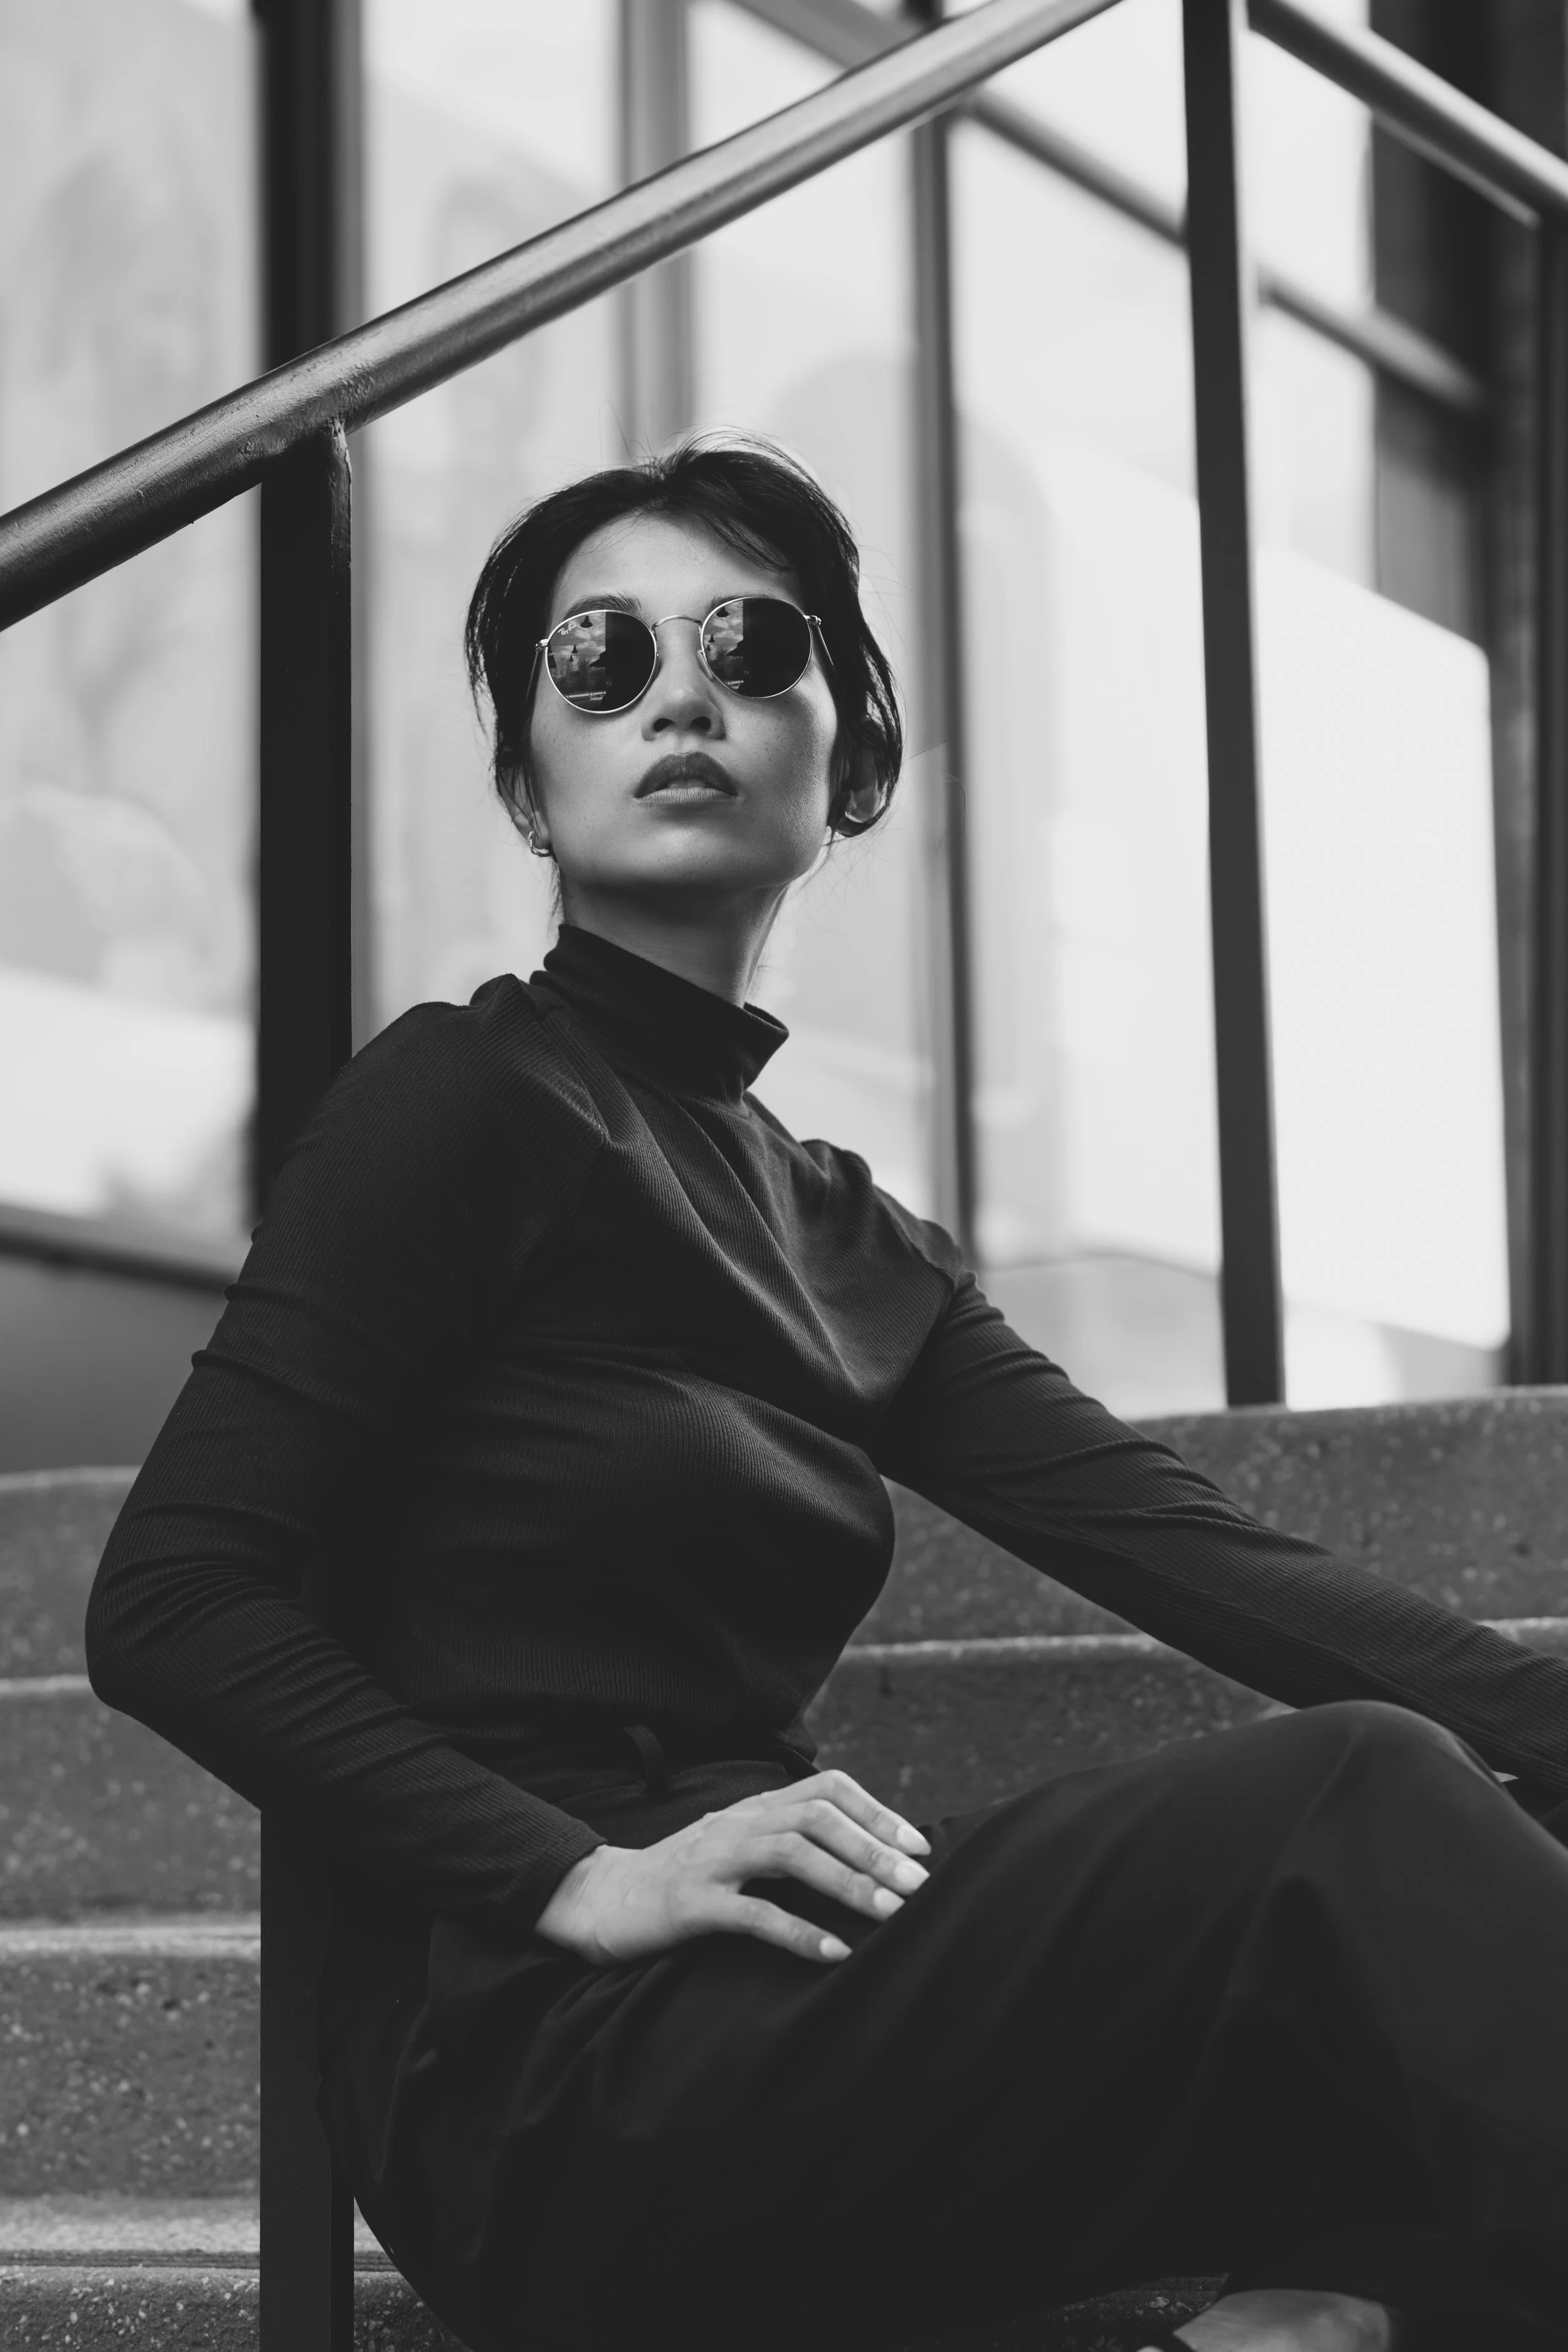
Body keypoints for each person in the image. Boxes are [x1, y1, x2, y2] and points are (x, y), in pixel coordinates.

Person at [86, 437, 1568, 2352]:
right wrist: (575, 1876)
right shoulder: (457, 1103)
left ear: (849, 757)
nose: (676, 694)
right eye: (597, 661)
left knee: (1428, 1952)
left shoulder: (850, 1239)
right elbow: (172, 1601)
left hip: (804, 2000)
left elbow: (1199, 1558)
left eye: (748, 643)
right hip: (560, 2070)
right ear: (530, 788)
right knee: (1353, 1794)